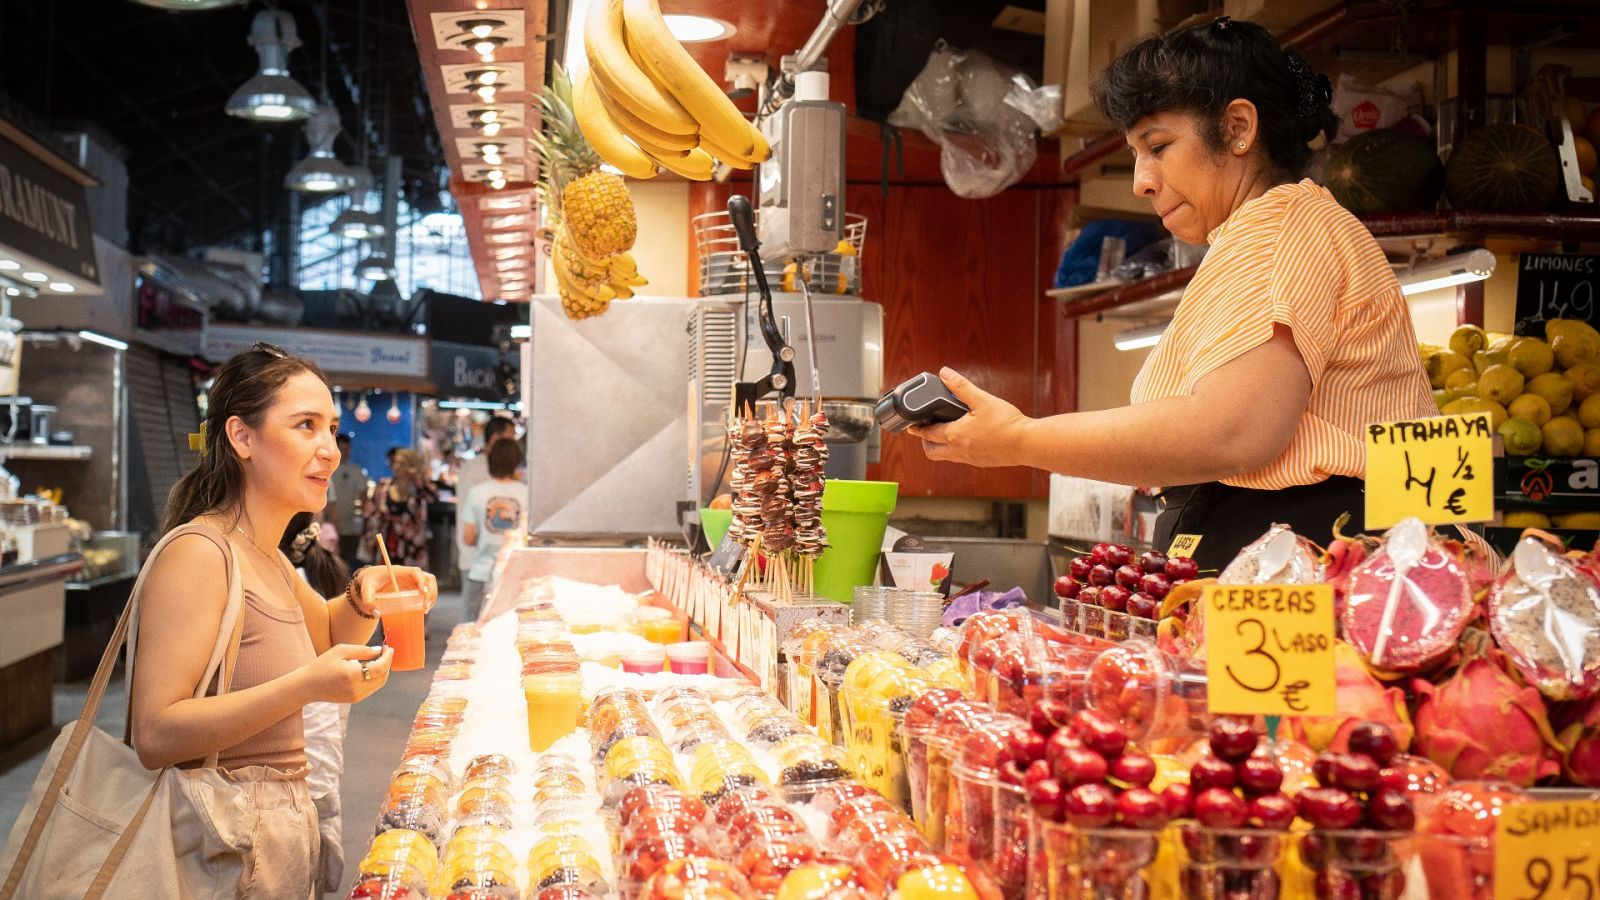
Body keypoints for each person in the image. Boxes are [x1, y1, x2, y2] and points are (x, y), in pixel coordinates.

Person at [909, 17, 1434, 572]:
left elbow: (1232, 432)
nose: (1141, 181)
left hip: (1325, 550)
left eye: (1157, 146)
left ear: (1237, 127)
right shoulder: (1276, 229)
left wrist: (1018, 441)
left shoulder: (1279, 228)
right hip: (1300, 544)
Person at [129, 342, 437, 898]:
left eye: (331, 429)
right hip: (213, 855)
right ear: (241, 437)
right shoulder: (199, 553)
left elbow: (321, 636)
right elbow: (154, 734)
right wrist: (306, 688)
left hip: (270, 840)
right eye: (305, 426)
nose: (330, 450)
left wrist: (365, 597)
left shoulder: (267, 554)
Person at [280, 512, 353, 896]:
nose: (330, 452)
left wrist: (360, 604)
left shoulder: (286, 579)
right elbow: (157, 733)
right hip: (301, 781)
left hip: (293, 785)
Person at [461, 438, 525, 621]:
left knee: (471, 629)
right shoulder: (526, 494)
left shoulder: (477, 493)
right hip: (515, 575)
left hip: (481, 572)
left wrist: (487, 537)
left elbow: (468, 537)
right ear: (517, 462)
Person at [455, 415, 517, 582]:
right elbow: (470, 527)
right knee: (474, 608)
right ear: (496, 437)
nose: (513, 442)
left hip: (501, 560)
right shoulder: (474, 469)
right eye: (511, 436)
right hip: (475, 559)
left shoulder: (511, 479)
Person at [362, 447, 438, 568]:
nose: (397, 467)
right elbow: (369, 513)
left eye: (402, 464)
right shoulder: (383, 486)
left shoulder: (418, 488)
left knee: (411, 582)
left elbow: (434, 497)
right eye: (395, 462)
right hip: (388, 544)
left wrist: (419, 478)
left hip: (413, 547)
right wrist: (369, 539)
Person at [327, 432, 368, 569]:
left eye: (348, 450)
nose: (347, 453)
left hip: (350, 530)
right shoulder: (325, 469)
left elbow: (364, 496)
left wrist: (365, 521)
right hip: (327, 529)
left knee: (348, 567)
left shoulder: (355, 471)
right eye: (344, 450)